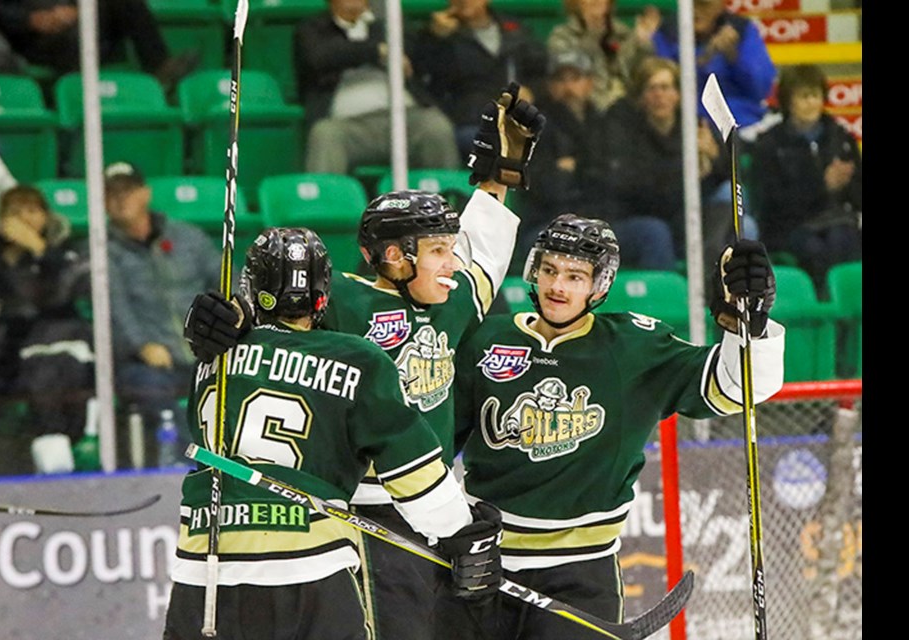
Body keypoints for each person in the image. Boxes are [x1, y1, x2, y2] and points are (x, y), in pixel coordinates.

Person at [181, 85, 545, 640]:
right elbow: (277, 309)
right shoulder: (346, 301)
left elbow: (487, 253)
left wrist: (499, 176)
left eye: (452, 248)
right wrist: (226, 314)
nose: (455, 262)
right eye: (441, 250)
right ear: (397, 256)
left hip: (433, 510)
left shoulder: (451, 299)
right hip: (360, 512)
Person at [452, 213, 785, 639]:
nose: (557, 286)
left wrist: (748, 328)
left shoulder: (634, 347)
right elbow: (435, 444)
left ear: (600, 285)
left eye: (575, 276)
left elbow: (735, 388)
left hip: (580, 574)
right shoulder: (487, 340)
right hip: (483, 562)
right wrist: (446, 531)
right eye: (550, 270)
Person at [163, 226, 504, 640]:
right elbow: (416, 475)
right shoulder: (358, 359)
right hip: (307, 564)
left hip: (202, 563)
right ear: (325, 292)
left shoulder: (211, 355)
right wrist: (461, 532)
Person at [103, 161, 221, 468]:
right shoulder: (102, 249)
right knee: (150, 388)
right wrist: (142, 345)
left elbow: (226, 282)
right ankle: (188, 468)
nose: (120, 199)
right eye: (111, 194)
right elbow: (114, 308)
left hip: (204, 352)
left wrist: (224, 331)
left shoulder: (188, 238)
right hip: (148, 360)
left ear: (145, 194)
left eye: (127, 191)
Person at [604, 55, 739, 274]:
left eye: (666, 88)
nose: (660, 96)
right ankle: (669, 298)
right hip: (639, 216)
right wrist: (688, 170)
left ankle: (731, 294)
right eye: (652, 88)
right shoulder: (626, 130)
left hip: (685, 216)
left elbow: (727, 177)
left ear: (678, 94)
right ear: (640, 96)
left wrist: (715, 157)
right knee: (656, 232)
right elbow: (637, 186)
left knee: (738, 214)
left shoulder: (696, 126)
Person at [295, 0, 461, 175]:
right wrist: (377, 51)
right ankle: (325, 201)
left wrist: (434, 35)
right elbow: (319, 57)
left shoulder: (389, 24)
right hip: (349, 126)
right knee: (324, 135)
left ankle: (446, 198)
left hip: (405, 119)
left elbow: (417, 56)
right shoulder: (313, 28)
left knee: (436, 127)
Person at [0, 184, 93, 475]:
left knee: (53, 358)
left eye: (32, 210)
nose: (24, 219)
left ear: (46, 216)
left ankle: (58, 458)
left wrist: (39, 249)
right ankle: (56, 458)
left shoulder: (66, 250)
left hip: (63, 351)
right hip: (8, 353)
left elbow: (73, 292)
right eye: (15, 212)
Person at [750, 64, 862, 294]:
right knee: (816, 248)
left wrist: (847, 183)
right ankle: (824, 314)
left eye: (816, 95)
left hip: (837, 220)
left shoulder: (840, 138)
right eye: (804, 96)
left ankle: (849, 315)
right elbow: (770, 202)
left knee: (845, 239)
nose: (811, 103)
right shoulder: (770, 145)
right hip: (790, 226)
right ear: (788, 101)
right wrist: (822, 186)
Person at [411, 0, 548, 160]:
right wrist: (433, 38)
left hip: (515, 118)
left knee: (553, 139)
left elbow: (540, 73)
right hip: (467, 121)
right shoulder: (437, 35)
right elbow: (420, 74)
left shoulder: (513, 29)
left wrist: (531, 90)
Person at [512, 49, 609, 271]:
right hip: (549, 222)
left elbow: (615, 179)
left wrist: (575, 168)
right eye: (560, 80)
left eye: (575, 78)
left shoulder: (605, 123)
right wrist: (586, 171)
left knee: (650, 232)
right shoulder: (535, 128)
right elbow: (543, 186)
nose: (568, 88)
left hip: (600, 219)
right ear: (549, 86)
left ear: (590, 83)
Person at [0, 0, 198, 94]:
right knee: (76, 37)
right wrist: (30, 20)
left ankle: (160, 68)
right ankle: (77, 97)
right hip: (31, 37)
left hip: (75, 18)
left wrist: (77, 10)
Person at [651, 0, 777, 141]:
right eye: (691, 5)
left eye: (703, 4)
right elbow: (664, 85)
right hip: (685, 127)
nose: (695, 12)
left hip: (741, 124)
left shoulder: (741, 29)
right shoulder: (668, 32)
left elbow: (761, 89)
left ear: (719, 6)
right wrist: (705, 58)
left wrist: (734, 57)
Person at [545, 0, 660, 113]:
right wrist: (591, 35)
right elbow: (570, 77)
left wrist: (641, 43)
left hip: (624, 109)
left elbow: (636, 75)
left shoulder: (622, 33)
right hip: (583, 110)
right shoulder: (561, 37)